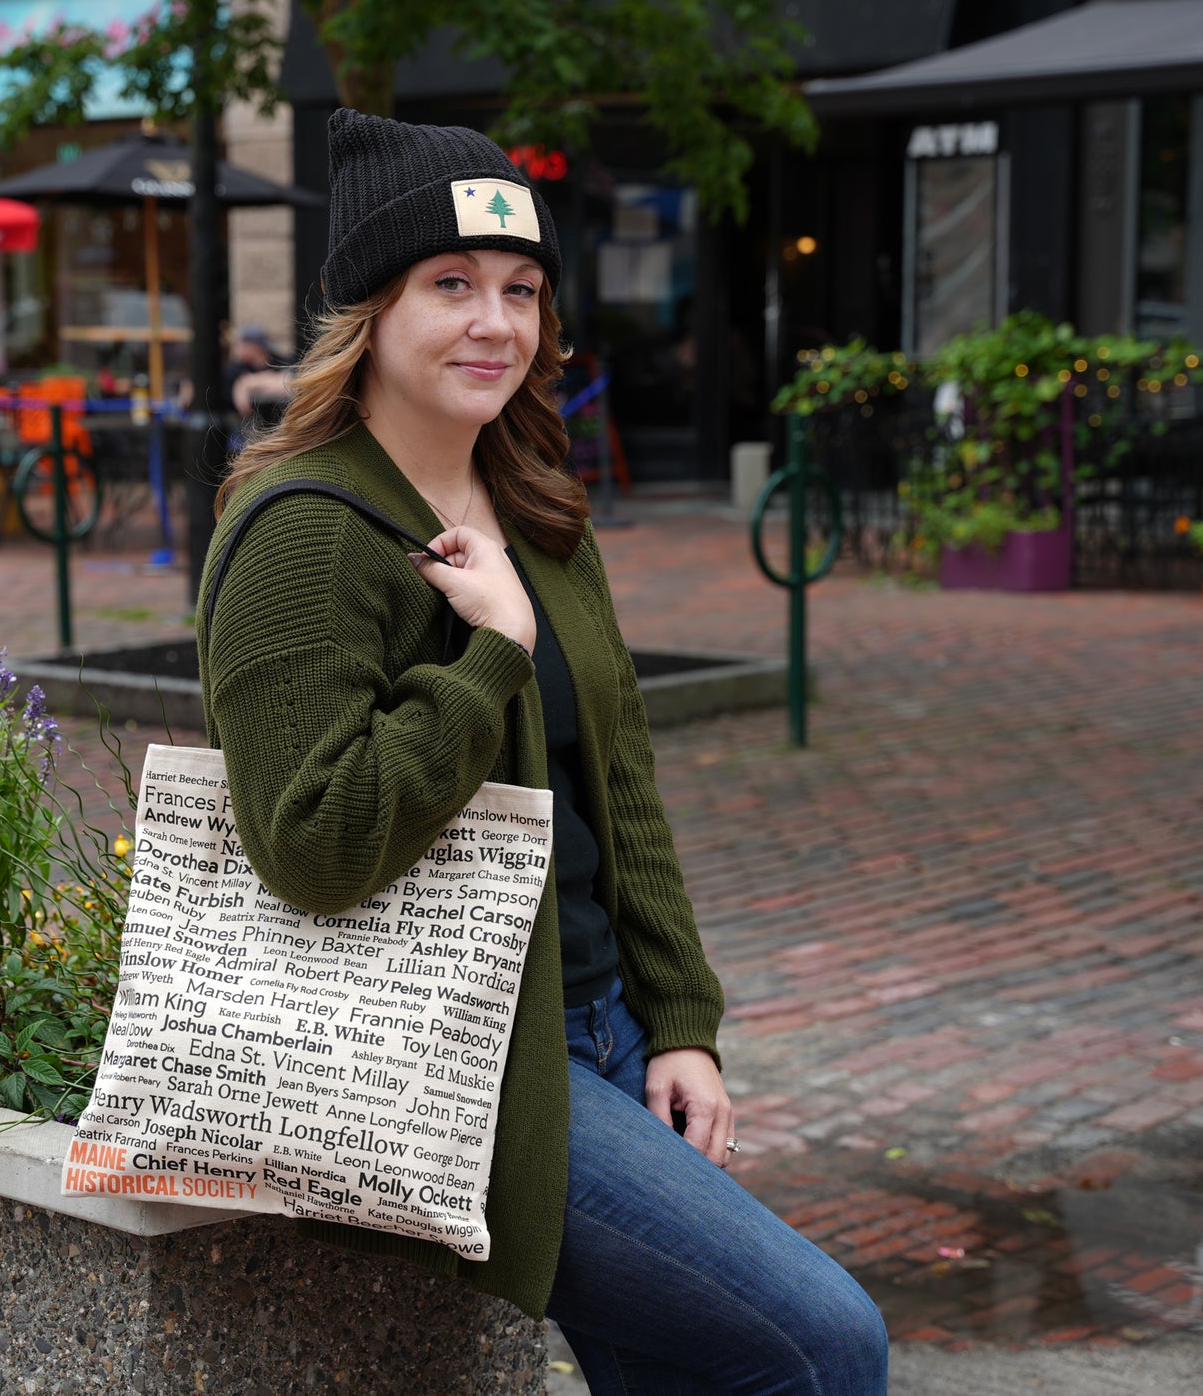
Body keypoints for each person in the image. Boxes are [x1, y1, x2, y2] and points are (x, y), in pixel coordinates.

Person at [198, 110, 889, 1395]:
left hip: (609, 1026)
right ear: (368, 310)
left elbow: (621, 787)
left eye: (521, 291)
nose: (494, 323)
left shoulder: (536, 508)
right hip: (468, 1066)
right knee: (824, 1341)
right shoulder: (305, 537)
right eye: (450, 285)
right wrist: (490, 657)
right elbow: (310, 842)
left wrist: (681, 1018)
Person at [222, 323, 294, 424]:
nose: (237, 348)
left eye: (241, 344)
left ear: (254, 347)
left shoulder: (281, 362)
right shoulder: (234, 369)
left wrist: (249, 382)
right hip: (245, 426)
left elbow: (289, 382)